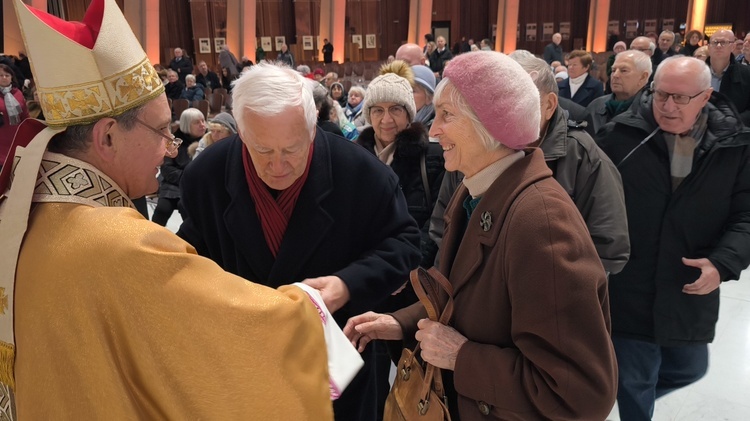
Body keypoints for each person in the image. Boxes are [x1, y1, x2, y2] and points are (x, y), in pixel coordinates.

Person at [0, 0, 333, 418]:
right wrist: (308, 305)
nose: (169, 148)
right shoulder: (121, 244)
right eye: (161, 131)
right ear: (106, 138)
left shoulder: (26, 212)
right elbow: (236, 334)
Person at [345, 51, 617, 420]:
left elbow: (581, 393)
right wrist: (401, 322)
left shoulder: (542, 221)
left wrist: (462, 357)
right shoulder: (474, 192)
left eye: (447, 115)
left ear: (491, 124)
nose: (434, 129)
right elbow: (466, 298)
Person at [177, 62, 422, 421]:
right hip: (247, 365)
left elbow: (404, 244)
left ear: (312, 129)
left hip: (337, 372)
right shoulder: (205, 177)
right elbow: (193, 257)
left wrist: (347, 284)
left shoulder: (361, 173)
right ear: (241, 133)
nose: (278, 166)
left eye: (292, 150)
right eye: (262, 150)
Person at [595, 56, 750, 421]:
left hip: (688, 285)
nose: (667, 106)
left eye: (680, 98)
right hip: (629, 286)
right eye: (661, 94)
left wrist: (722, 263)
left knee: (690, 368)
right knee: (635, 382)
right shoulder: (619, 137)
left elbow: (746, 216)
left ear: (706, 96)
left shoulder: (734, 146)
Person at [509, 50, 630, 274]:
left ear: (549, 104)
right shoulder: (484, 143)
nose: (507, 112)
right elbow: (445, 224)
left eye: (520, 100)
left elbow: (609, 246)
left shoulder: (584, 155)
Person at [152, 108, 205, 226]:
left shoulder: (208, 141)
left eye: (203, 121)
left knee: (187, 209)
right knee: (162, 209)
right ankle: (152, 240)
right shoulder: (174, 141)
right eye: (197, 122)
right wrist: (187, 178)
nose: (202, 125)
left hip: (195, 186)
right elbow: (167, 170)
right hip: (173, 184)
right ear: (187, 125)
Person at [586, 50, 652, 136]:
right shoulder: (596, 105)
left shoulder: (651, 111)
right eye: (613, 70)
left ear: (643, 77)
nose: (615, 75)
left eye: (624, 70)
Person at [706, 29, 750, 126]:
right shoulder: (696, 73)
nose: (718, 46)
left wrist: (735, 123)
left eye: (723, 42)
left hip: (735, 133)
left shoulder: (747, 74)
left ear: (733, 47)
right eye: (715, 42)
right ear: (708, 47)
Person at [0, 63, 29, 169]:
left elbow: (25, 116)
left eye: (7, 75)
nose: (4, 78)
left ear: (12, 77)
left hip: (15, 137)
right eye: (0, 75)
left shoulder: (18, 93)